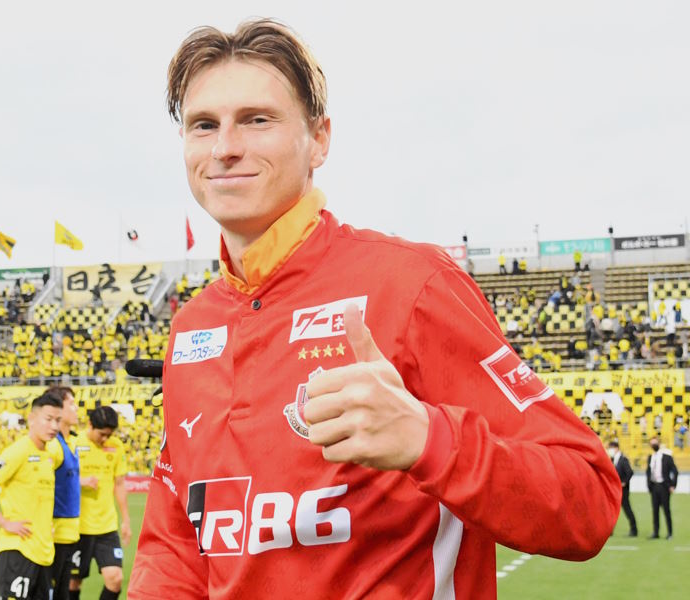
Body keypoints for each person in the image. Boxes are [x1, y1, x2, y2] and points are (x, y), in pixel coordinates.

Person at [128, 19, 621, 599]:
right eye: (204, 125)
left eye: (257, 120)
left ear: (319, 139)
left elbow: (589, 502)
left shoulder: (413, 284)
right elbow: (175, 547)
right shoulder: (192, 328)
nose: (225, 147)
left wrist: (428, 439)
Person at [0, 393, 63, 600]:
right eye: (48, 419)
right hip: (19, 549)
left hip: (43, 551)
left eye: (58, 420)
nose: (54, 426)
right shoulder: (18, 451)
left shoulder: (50, 453)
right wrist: (4, 522)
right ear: (32, 419)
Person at [71, 406, 130, 600]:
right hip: (77, 527)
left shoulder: (116, 446)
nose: (105, 439)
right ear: (90, 425)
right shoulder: (74, 444)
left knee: (115, 579)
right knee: (73, 582)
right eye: (101, 434)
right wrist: (80, 481)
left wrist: (126, 520)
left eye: (109, 435)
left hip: (106, 526)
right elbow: (60, 479)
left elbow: (119, 484)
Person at [45, 386, 81, 599]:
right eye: (71, 404)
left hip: (69, 533)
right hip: (55, 534)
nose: (76, 409)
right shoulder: (53, 446)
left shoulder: (71, 442)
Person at [646, 436, 678, 539]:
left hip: (664, 486)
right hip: (654, 486)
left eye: (655, 443)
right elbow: (648, 472)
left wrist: (673, 485)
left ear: (659, 443)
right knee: (655, 510)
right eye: (652, 443)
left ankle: (669, 533)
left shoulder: (667, 457)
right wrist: (649, 485)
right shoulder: (650, 457)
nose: (653, 445)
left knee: (666, 510)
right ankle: (656, 532)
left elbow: (675, 471)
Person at [607, 441, 637, 536]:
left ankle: (634, 530)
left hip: (623, 490)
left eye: (611, 448)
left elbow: (630, 472)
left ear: (616, 448)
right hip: (614, 489)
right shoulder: (612, 459)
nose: (610, 450)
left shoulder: (623, 459)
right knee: (612, 510)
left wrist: (624, 482)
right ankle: (610, 530)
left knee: (627, 509)